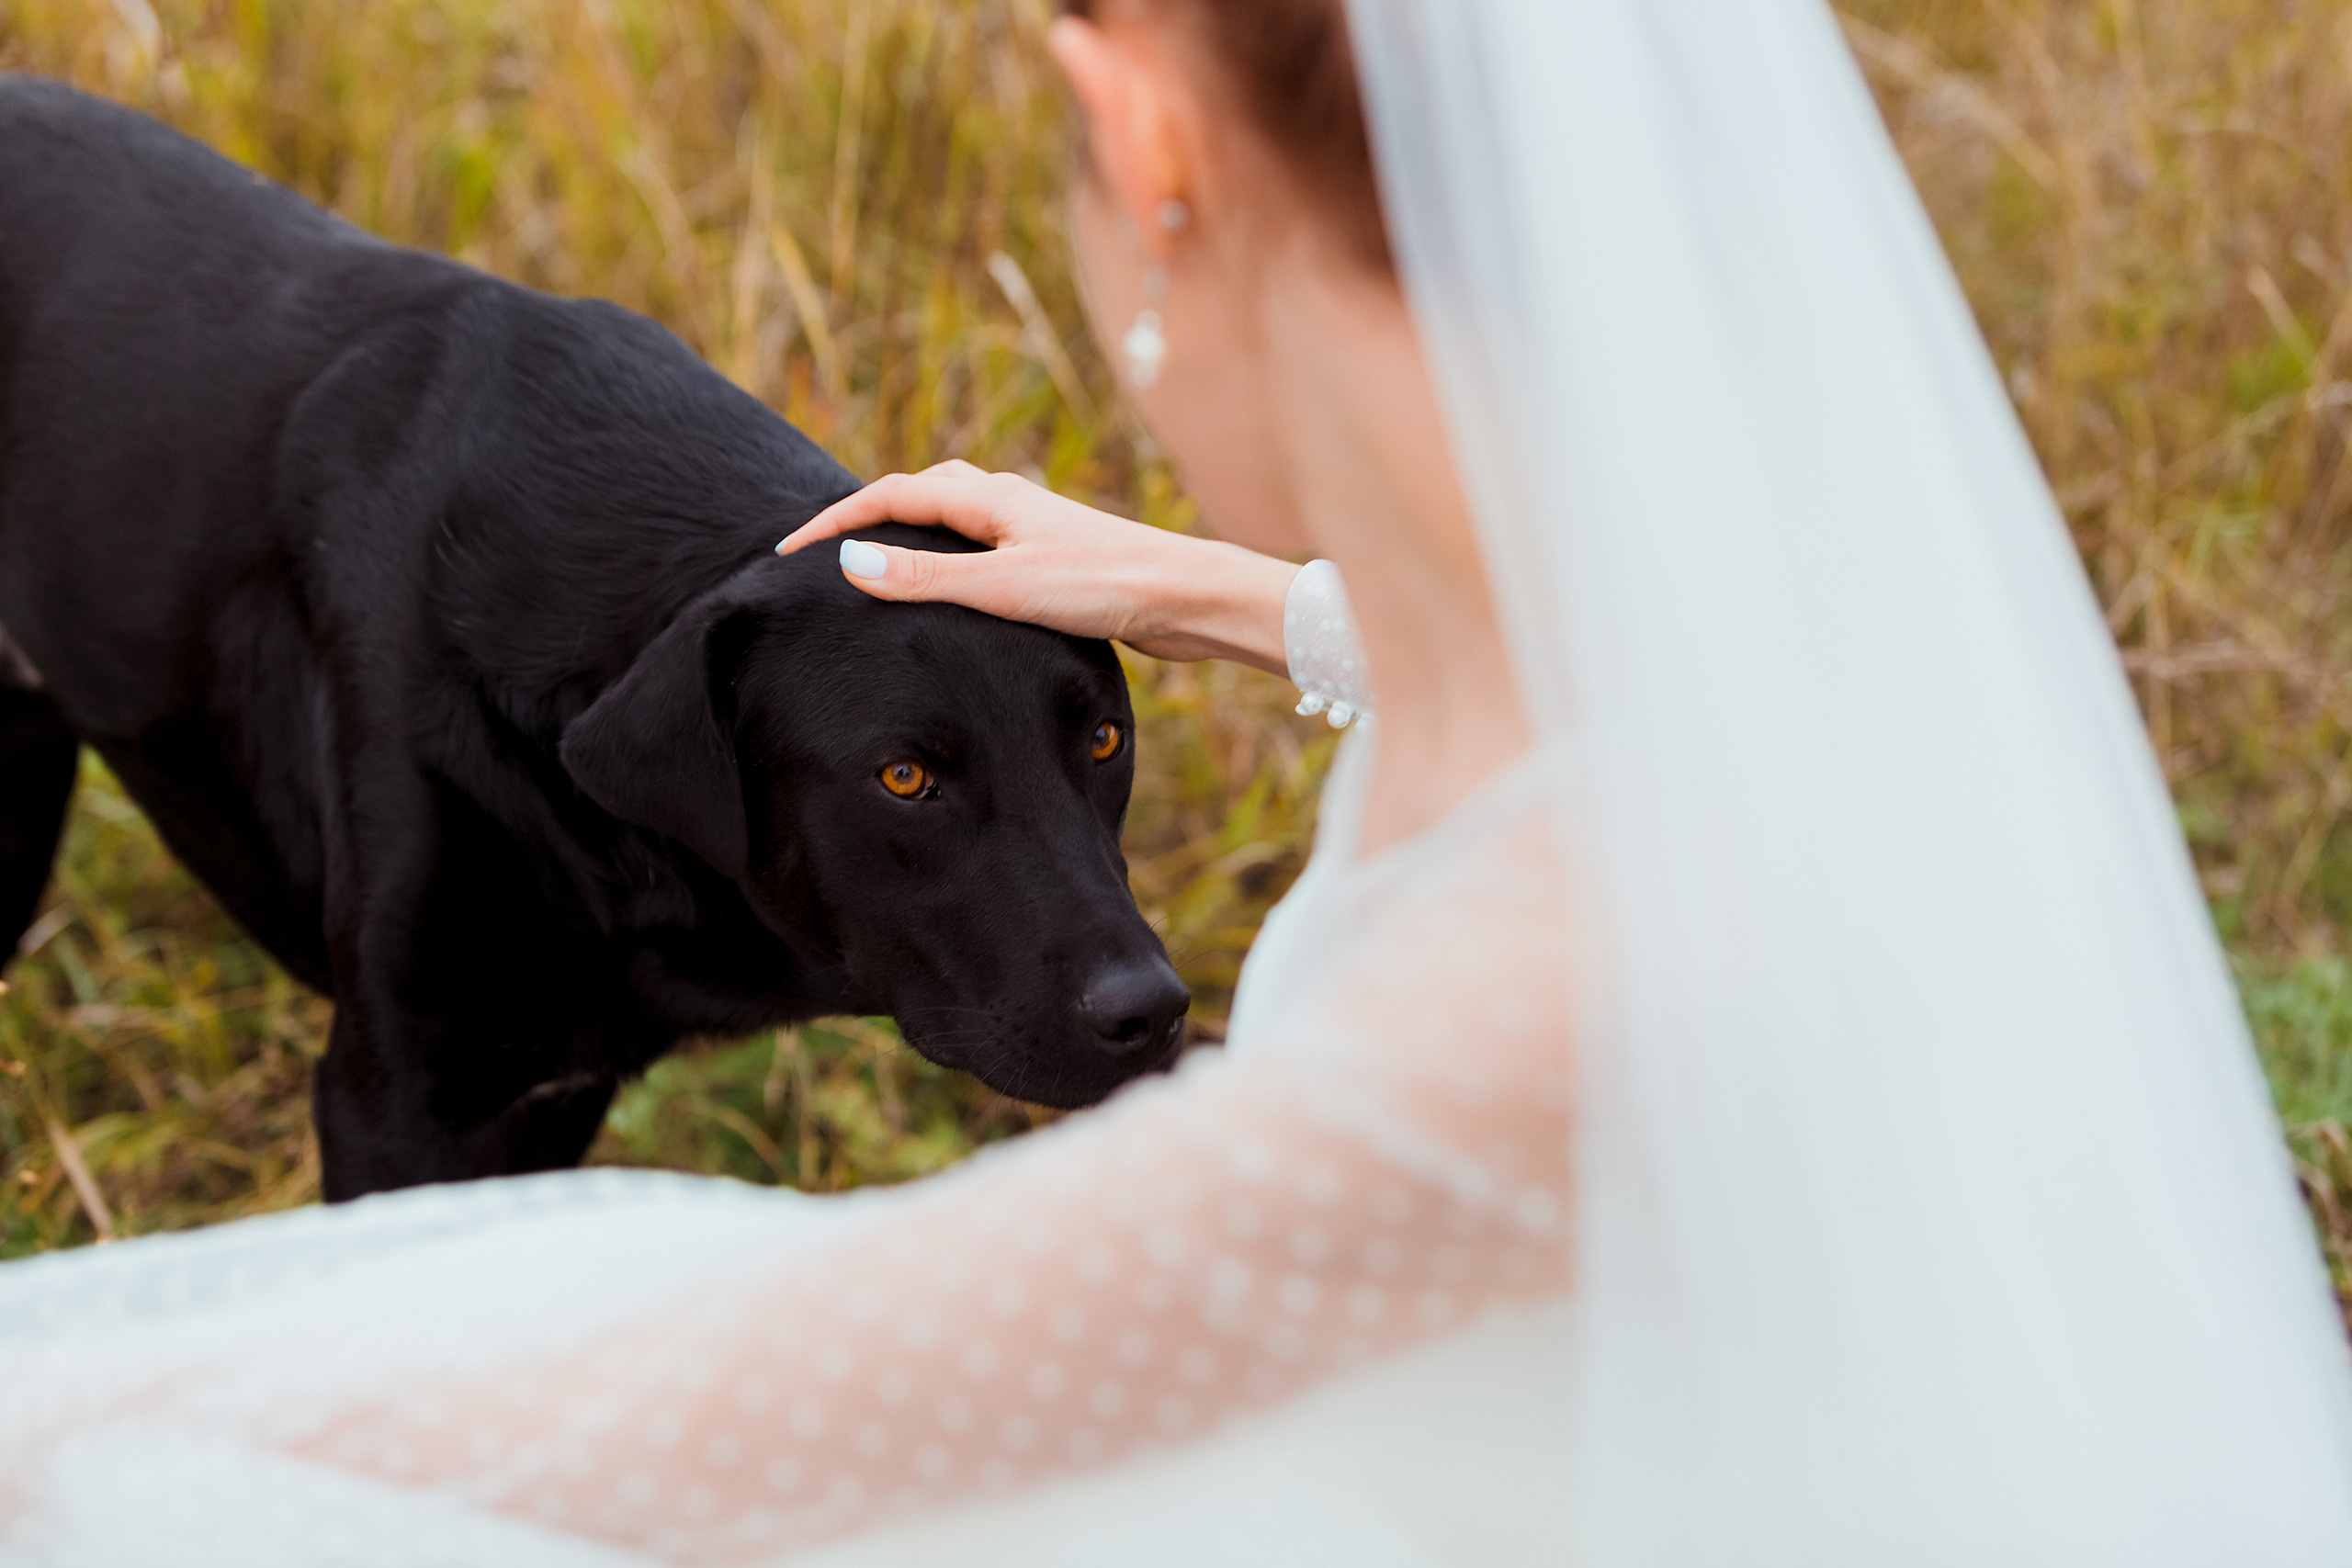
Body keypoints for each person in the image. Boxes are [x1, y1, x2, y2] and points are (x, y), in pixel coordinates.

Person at [4, 1, 2351, 1563]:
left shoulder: (1495, 1025)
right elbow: (1536, 680)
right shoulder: (1770, 671)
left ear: (1145, 143)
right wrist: (1201, 588)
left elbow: (781, 1404)